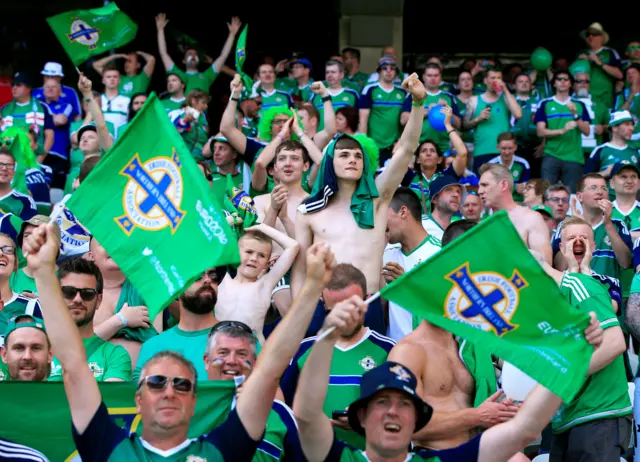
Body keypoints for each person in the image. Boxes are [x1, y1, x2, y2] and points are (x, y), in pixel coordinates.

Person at [23, 221, 336, 461]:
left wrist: (311, 290)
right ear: (138, 398)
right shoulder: (108, 446)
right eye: (157, 382)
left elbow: (269, 369)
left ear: (194, 401)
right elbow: (74, 365)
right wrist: (43, 272)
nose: (169, 391)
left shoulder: (222, 450)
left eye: (183, 384)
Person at [291, 296, 585, 462]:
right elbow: (304, 416)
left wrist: (575, 355)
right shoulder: (342, 460)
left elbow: (523, 429)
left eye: (405, 404)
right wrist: (328, 334)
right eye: (383, 402)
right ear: (363, 416)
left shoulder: (467, 346)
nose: (393, 410)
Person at [292, 73, 427, 336]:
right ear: (330, 162)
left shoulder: (378, 200)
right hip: (323, 305)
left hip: (370, 304)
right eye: (344, 155)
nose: (352, 159)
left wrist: (418, 102)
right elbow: (300, 270)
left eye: (358, 156)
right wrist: (298, 311)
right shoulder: (308, 211)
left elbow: (407, 149)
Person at [281, 264, 395, 450]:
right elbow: (284, 405)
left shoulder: (387, 349)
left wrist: (365, 421)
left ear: (367, 301)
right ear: (322, 302)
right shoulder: (305, 349)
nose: (345, 318)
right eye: (334, 310)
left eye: (353, 308)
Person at [205, 320, 304, 461]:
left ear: (254, 363)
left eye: (241, 354)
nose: (232, 361)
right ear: (206, 361)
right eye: (223, 352)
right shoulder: (187, 409)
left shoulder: (279, 412)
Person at [49, 257, 132, 382]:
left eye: (87, 293)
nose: (77, 299)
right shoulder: (35, 348)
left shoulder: (115, 355)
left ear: (98, 300)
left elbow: (109, 400)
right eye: (68, 292)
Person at [215, 224, 299, 343]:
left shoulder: (265, 285)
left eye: (261, 255)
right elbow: (207, 244)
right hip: (220, 348)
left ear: (267, 263)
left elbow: (293, 246)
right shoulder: (222, 281)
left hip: (253, 352)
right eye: (249, 252)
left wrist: (262, 227)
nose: (254, 258)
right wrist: (227, 226)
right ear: (235, 254)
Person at [134, 268, 220, 380]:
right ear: (175, 288)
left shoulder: (241, 340)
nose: (208, 280)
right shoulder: (152, 347)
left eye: (213, 275)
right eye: (197, 275)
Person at [383, 188, 441, 340]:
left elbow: (444, 309)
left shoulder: (439, 254)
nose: (379, 221)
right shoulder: (386, 254)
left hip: (426, 355)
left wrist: (407, 285)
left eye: (383, 213)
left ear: (403, 212)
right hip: (394, 353)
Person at [478, 163, 552, 263]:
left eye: (485, 185)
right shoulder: (482, 225)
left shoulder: (531, 219)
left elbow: (545, 267)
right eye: (479, 186)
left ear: (503, 185)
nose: (480, 191)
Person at [0, 315, 50, 381]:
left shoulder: (64, 391)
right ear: (4, 355)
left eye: (36, 348)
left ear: (50, 354)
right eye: (18, 348)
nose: (27, 357)